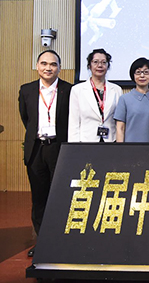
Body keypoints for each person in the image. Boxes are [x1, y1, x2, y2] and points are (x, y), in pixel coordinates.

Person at [18, 50, 72, 257]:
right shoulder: (26, 90)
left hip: (58, 148)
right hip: (36, 149)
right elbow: (26, 118)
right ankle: (42, 242)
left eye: (53, 64)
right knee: (39, 197)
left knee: (60, 196)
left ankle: (61, 241)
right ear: (37, 66)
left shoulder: (69, 90)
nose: (48, 68)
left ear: (59, 67)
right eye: (44, 63)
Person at [68, 48, 123, 142]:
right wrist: (74, 145)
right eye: (95, 62)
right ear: (89, 65)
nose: (100, 65)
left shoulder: (116, 89)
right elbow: (74, 122)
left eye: (103, 62)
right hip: (86, 141)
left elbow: (119, 120)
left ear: (108, 66)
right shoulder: (77, 90)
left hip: (110, 140)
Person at [114, 58, 149, 142]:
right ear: (133, 75)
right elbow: (120, 128)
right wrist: (120, 148)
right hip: (130, 147)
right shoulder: (124, 99)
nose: (142, 76)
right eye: (138, 72)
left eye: (146, 72)